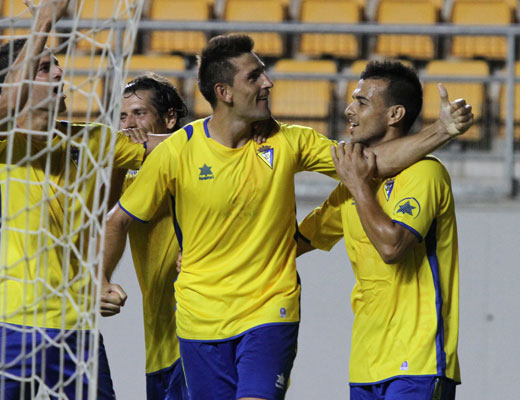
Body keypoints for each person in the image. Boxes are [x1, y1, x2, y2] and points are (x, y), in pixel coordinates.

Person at [100, 34, 472, 400]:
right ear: (224, 92)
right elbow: (118, 216)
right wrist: (207, 253)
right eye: (254, 76)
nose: (268, 82)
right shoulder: (179, 151)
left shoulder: (294, 143)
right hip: (202, 321)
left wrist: (441, 131)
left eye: (264, 72)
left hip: (277, 313)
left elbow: (371, 179)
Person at [0, 1, 166, 398]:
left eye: (57, 64)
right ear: (17, 81)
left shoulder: (93, 138)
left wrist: (238, 134)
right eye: (45, 67)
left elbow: (174, 149)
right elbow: (8, 108)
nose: (60, 72)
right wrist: (45, 17)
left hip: (75, 325)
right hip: (10, 322)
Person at [297, 60, 460, 399]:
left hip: (418, 361)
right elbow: (296, 242)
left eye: (362, 102)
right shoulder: (354, 184)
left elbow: (392, 248)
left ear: (394, 115)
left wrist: (358, 187)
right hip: (366, 362)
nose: (349, 109)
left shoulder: (424, 174)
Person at [108, 74, 190, 400]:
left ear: (169, 117)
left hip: (198, 333)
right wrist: (120, 155)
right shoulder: (134, 170)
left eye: (140, 113)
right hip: (158, 342)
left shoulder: (191, 155)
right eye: (123, 116)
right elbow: (105, 212)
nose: (130, 124)